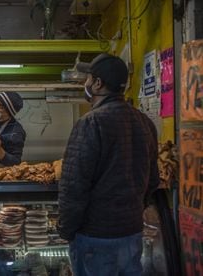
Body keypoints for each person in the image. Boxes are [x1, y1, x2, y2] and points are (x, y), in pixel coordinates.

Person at [57, 53, 159, 276]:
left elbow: (74, 186)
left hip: (96, 237)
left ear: (97, 83)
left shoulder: (91, 123)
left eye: (87, 79)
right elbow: (152, 180)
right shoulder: (145, 123)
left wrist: (66, 230)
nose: (85, 84)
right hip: (132, 233)